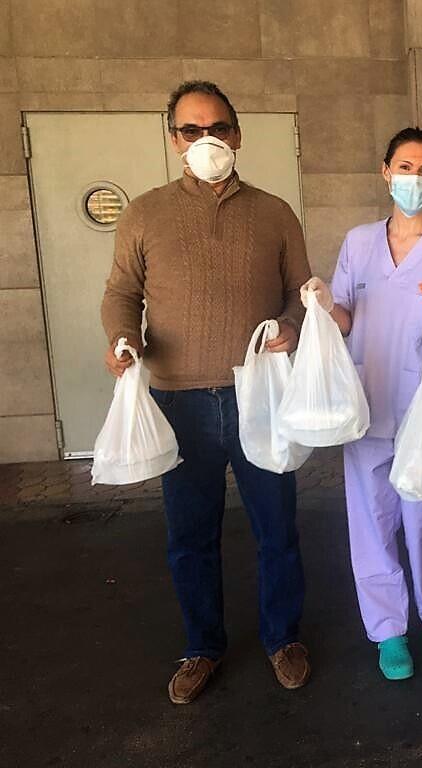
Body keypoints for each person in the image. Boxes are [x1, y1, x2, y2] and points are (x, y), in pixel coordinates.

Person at [100, 80, 313, 704]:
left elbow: (300, 292)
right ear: (174, 140)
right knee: (191, 537)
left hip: (258, 395)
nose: (206, 139)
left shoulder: (275, 212)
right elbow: (121, 293)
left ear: (238, 134)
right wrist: (122, 338)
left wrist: (293, 325)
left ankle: (283, 638)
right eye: (191, 130)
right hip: (180, 401)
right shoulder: (145, 214)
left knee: (277, 528)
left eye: (217, 127)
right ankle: (202, 647)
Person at [303, 128, 422, 682]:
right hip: (369, 400)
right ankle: (388, 630)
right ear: (386, 172)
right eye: (405, 167)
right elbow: (345, 319)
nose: (414, 179)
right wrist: (324, 304)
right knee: (372, 522)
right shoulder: (358, 244)